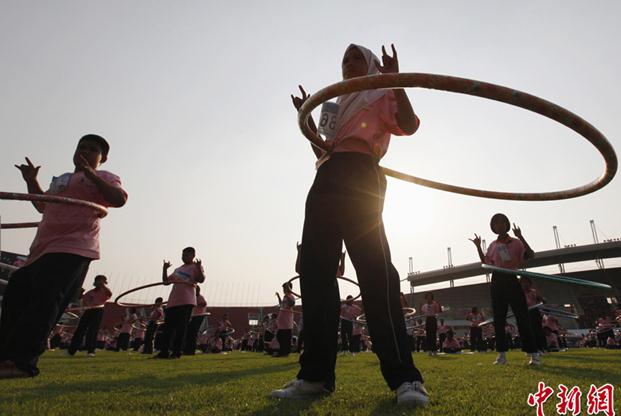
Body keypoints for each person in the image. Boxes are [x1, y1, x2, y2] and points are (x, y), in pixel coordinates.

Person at [271, 44, 428, 406]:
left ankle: (405, 378)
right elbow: (323, 149)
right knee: (314, 271)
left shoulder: (383, 90)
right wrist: (307, 119)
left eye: (357, 58)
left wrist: (396, 81)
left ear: (371, 64)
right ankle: (314, 376)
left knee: (375, 272)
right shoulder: (332, 102)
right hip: (327, 177)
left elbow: (407, 125)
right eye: (344, 60)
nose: (349, 64)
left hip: (362, 174)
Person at [0, 134, 127, 378]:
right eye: (81, 146)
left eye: (92, 149)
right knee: (16, 296)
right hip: (40, 250)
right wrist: (31, 181)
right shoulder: (62, 180)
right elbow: (42, 205)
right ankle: (5, 356)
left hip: (73, 247)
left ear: (104, 158)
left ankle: (23, 362)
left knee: (44, 303)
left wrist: (91, 174)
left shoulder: (104, 177)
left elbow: (118, 199)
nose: (85, 150)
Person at [470, 213, 540, 366]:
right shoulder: (493, 245)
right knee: (499, 319)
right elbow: (486, 262)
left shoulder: (515, 242)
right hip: (497, 280)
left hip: (512, 279)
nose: (499, 225)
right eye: (496, 223)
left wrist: (521, 236)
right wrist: (477, 246)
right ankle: (501, 355)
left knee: (522, 317)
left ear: (507, 224)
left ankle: (534, 354)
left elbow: (531, 255)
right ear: (493, 227)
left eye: (502, 222)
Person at [155, 247, 205, 359]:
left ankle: (176, 352)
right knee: (168, 328)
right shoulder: (178, 269)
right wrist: (164, 269)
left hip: (186, 301)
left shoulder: (195, 267)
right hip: (173, 302)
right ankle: (164, 352)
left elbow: (201, 280)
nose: (183, 257)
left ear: (193, 255)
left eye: (186, 255)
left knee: (181, 328)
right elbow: (166, 282)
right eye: (182, 255)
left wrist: (198, 268)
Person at [67, 274, 112, 356]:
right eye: (99, 280)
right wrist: (80, 293)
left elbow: (109, 294)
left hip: (98, 310)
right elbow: (83, 301)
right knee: (80, 329)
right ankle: (72, 350)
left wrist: (103, 286)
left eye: (103, 281)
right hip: (88, 311)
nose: (101, 283)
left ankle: (91, 351)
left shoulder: (104, 291)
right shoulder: (90, 292)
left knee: (93, 330)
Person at [520, 277, 546, 353]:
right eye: (523, 283)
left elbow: (542, 299)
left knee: (537, 330)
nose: (525, 284)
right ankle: (528, 349)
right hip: (525, 313)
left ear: (530, 284)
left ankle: (540, 348)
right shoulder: (519, 293)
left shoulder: (534, 292)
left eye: (527, 282)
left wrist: (543, 300)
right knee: (527, 331)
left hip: (535, 312)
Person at [184, 286, 207, 355]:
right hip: (192, 317)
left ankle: (191, 350)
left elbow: (204, 304)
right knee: (189, 333)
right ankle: (187, 349)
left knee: (193, 333)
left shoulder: (200, 297)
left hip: (197, 317)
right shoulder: (192, 297)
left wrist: (196, 302)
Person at [274, 282, 296, 357]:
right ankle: (282, 351)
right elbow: (282, 304)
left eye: (284, 288)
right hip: (282, 321)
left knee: (286, 337)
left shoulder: (291, 296)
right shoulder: (285, 297)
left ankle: (285, 352)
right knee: (280, 336)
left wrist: (288, 295)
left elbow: (292, 303)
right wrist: (279, 297)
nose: (283, 290)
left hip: (287, 321)